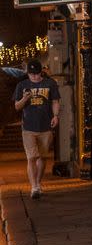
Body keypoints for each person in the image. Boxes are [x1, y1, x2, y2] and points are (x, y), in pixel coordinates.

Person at [13, 60, 60, 199]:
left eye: (36, 74)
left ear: (41, 72)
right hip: (28, 127)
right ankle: (33, 187)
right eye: (31, 74)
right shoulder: (22, 85)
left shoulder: (50, 83)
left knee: (42, 157)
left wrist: (56, 116)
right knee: (31, 157)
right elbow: (17, 106)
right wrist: (24, 98)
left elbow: (55, 101)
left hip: (46, 126)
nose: (34, 77)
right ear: (28, 73)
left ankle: (38, 183)